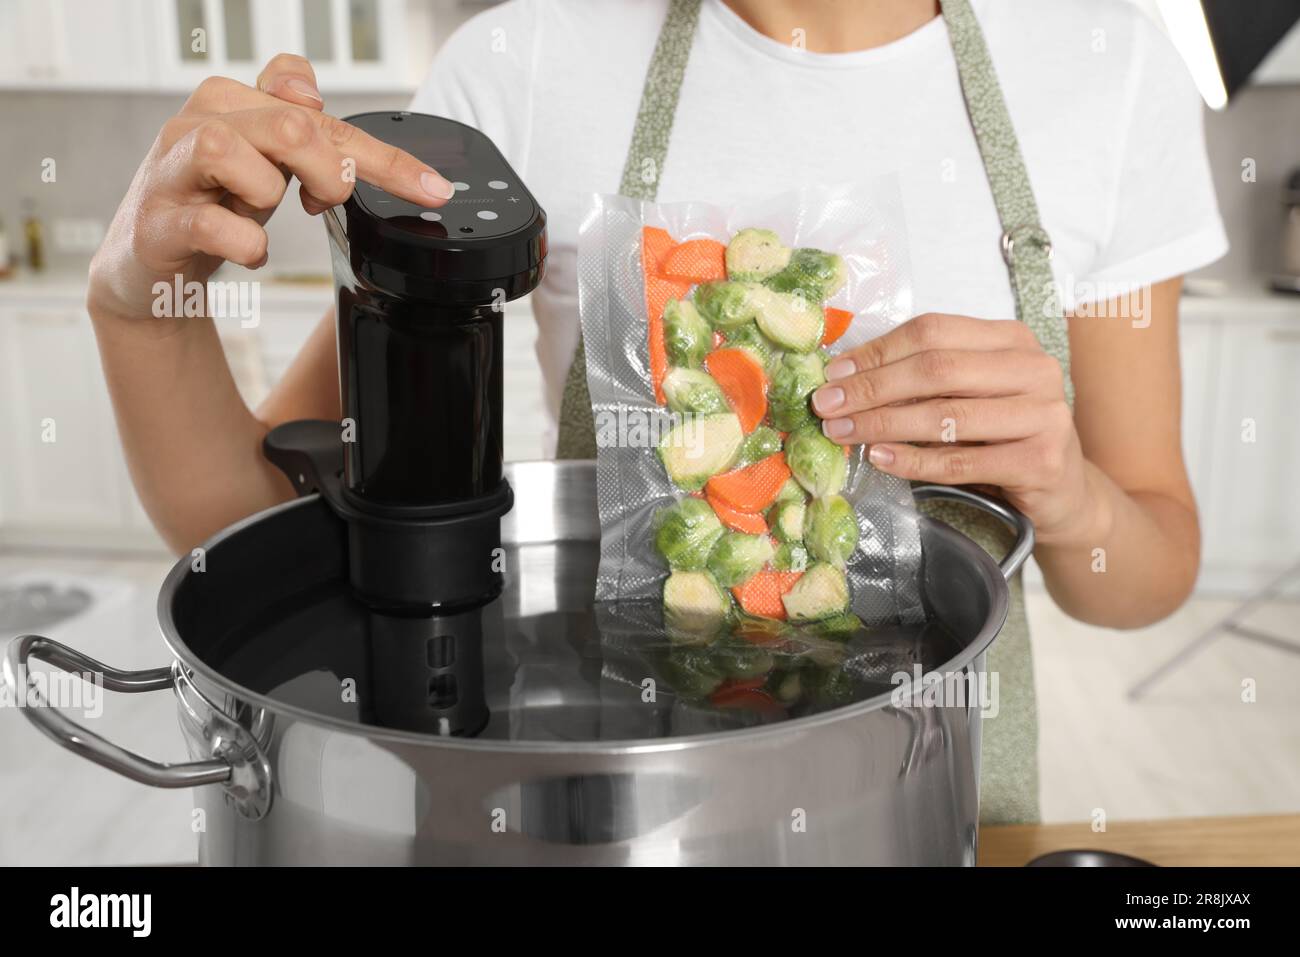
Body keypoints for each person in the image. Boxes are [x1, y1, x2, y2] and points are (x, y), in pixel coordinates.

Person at [86, 0, 1226, 823]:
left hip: (927, 806)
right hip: (605, 807)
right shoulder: (524, 61)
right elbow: (238, 525)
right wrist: (135, 302)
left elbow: (1145, 566)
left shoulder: (1108, 67)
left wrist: (1068, 491)